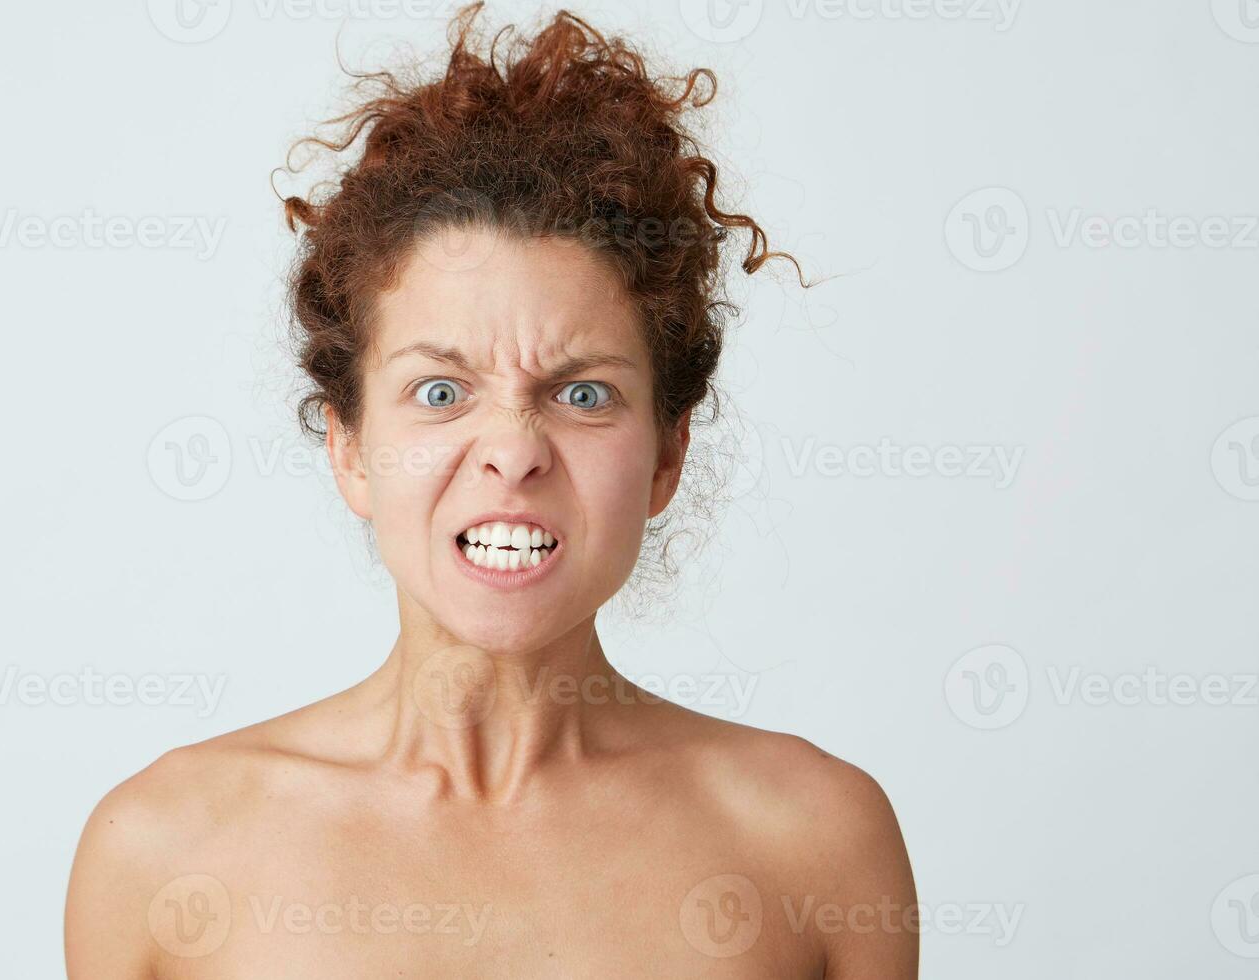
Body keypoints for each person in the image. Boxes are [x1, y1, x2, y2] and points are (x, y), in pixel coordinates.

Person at [65, 4, 917, 976]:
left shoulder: (814, 841)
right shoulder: (162, 850)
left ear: (667, 453)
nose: (513, 452)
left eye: (583, 392)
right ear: (349, 445)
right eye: (440, 391)